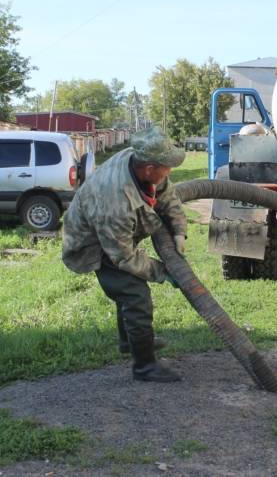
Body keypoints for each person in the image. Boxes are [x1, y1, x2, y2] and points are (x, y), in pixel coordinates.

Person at [62, 126, 187, 383]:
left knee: (129, 290)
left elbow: (168, 195)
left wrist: (178, 231)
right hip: (94, 245)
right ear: (150, 168)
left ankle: (130, 342)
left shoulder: (141, 159)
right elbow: (123, 258)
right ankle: (144, 367)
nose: (170, 171)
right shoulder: (115, 201)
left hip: (113, 237)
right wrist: (164, 271)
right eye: (166, 167)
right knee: (134, 294)